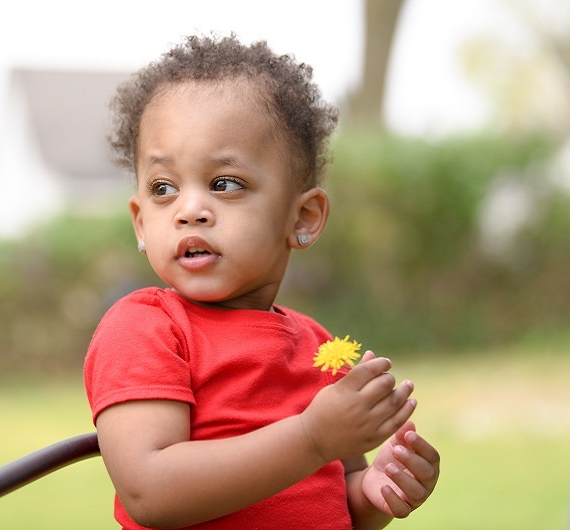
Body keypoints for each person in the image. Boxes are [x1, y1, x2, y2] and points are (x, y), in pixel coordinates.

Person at [83, 34, 440, 530]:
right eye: (163, 189)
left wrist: (376, 493)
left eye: (224, 184)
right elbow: (150, 490)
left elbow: (327, 501)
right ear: (141, 222)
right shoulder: (146, 329)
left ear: (305, 217)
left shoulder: (318, 346)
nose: (190, 211)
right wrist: (312, 437)